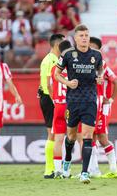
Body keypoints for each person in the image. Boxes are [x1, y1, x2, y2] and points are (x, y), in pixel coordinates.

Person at [54, 24, 104, 184]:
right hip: (73, 101)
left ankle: (84, 173)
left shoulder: (96, 55)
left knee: (88, 136)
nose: (84, 38)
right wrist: (68, 83)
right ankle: (67, 163)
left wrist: (99, 78)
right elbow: (56, 74)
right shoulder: (68, 54)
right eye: (81, 36)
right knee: (71, 136)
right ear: (75, 38)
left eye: (86, 35)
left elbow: (100, 70)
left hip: (90, 100)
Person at [88, 36, 117, 179]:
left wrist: (111, 100)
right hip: (91, 103)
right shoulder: (85, 64)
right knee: (92, 137)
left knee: (100, 137)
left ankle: (111, 169)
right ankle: (94, 169)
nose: (90, 50)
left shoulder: (102, 65)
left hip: (100, 105)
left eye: (93, 47)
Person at [39, 33, 65, 178]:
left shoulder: (52, 59)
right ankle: (49, 169)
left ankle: (54, 168)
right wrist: (55, 100)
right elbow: (49, 84)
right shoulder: (51, 60)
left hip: (49, 97)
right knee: (53, 134)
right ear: (57, 45)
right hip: (50, 99)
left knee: (55, 133)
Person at [50, 40, 72, 179]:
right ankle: (69, 170)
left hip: (58, 105)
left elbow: (49, 86)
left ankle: (57, 170)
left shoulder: (54, 68)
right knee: (74, 138)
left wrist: (55, 100)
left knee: (58, 139)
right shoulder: (72, 65)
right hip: (70, 105)